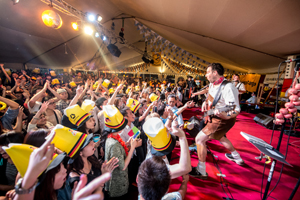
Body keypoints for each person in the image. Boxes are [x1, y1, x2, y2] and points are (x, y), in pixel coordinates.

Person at [189, 63, 244, 179]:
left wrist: (225, 115)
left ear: (215, 73)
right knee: (221, 137)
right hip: (215, 116)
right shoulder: (212, 84)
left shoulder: (228, 87)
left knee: (199, 139)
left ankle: (201, 170)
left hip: (222, 119)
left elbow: (236, 109)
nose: (206, 75)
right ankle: (237, 157)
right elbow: (210, 95)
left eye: (208, 72)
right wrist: (205, 102)